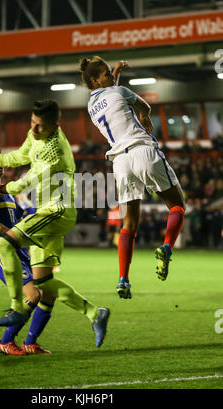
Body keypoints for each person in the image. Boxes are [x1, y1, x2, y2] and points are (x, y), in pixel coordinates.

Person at [0, 100, 110, 348]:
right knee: (44, 284)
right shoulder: (35, 134)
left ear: (54, 125)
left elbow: (27, 180)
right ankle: (95, 313)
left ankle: (17, 307)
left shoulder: (54, 149)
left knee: (5, 245)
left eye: (40, 126)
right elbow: (19, 156)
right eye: (32, 123)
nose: (34, 129)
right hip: (46, 210)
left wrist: (1, 187)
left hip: (56, 211)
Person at [79, 56, 186, 299]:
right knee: (177, 205)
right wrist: (145, 117)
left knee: (128, 224)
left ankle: (123, 279)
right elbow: (144, 107)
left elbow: (111, 90)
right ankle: (167, 246)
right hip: (142, 150)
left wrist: (115, 70)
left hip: (121, 164)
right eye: (105, 73)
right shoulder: (120, 90)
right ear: (96, 80)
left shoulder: (92, 105)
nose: (109, 75)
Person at [0, 145, 52, 355]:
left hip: (19, 252)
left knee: (47, 294)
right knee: (33, 294)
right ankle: (6, 341)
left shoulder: (7, 193)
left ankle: (30, 342)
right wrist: (15, 236)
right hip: (1, 254)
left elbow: (22, 217)